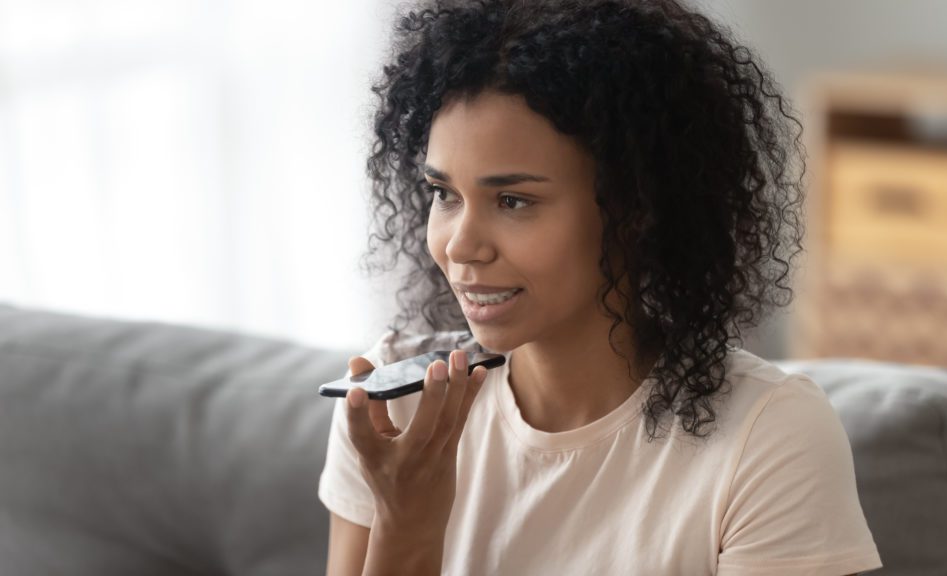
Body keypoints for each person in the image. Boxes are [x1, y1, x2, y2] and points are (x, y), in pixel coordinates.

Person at [319, 0, 883, 574]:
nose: (461, 246)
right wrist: (404, 522)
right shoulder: (398, 411)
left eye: (513, 201)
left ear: (636, 207)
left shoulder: (766, 437)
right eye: (445, 194)